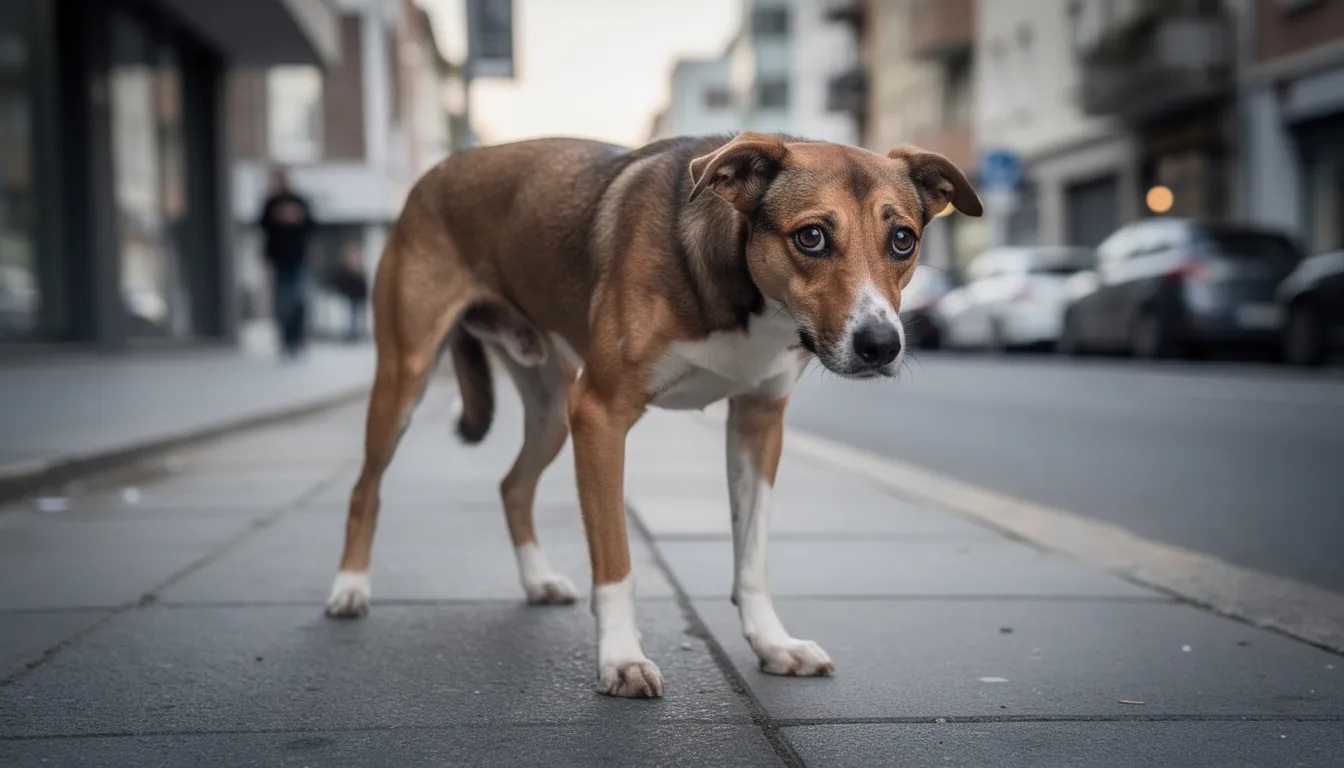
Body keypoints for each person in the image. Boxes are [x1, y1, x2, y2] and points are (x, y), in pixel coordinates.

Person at [257, 167, 316, 358]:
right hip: (279, 260)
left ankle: (298, 337)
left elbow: (312, 225)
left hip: (298, 259)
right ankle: (285, 339)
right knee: (282, 302)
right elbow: (262, 226)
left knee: (299, 299)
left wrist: (297, 217)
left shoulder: (299, 201)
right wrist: (276, 218)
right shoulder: (271, 203)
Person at [330, 243, 370, 343]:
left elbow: (362, 285)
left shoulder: (357, 270)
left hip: (356, 295)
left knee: (354, 315)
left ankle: (353, 333)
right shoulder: (352, 269)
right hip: (353, 295)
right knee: (352, 315)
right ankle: (352, 333)